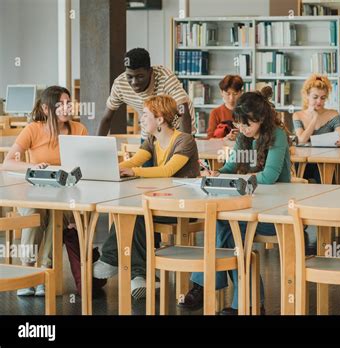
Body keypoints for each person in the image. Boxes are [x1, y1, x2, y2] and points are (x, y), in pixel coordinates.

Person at [180, 86, 292, 315]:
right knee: (226, 225)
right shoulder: (244, 135)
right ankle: (248, 304)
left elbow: (269, 177)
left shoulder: (277, 135)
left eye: (246, 124)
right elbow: (232, 165)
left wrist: (234, 179)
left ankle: (203, 286)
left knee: (226, 226)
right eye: (238, 123)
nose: (241, 129)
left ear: (261, 119)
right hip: (250, 202)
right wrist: (219, 174)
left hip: (276, 211)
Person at [93, 95, 200, 300]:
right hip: (161, 203)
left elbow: (168, 170)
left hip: (185, 206)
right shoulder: (152, 140)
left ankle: (113, 260)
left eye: (145, 115)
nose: (141, 119)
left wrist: (135, 172)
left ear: (160, 119)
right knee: (133, 211)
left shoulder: (185, 140)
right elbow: (134, 161)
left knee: (139, 212)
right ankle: (140, 276)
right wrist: (107, 168)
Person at [2, 86, 106, 296]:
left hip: (67, 194)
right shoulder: (33, 129)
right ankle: (27, 271)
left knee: (57, 215)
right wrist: (32, 167)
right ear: (47, 109)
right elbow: (8, 162)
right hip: (35, 193)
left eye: (69, 102)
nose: (68, 107)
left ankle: (43, 273)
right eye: (62, 104)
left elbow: (85, 166)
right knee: (34, 212)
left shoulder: (79, 129)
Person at [97, 48, 195, 166]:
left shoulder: (165, 77)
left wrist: (183, 147)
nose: (134, 82)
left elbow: (183, 112)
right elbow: (107, 118)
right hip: (150, 131)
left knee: (175, 172)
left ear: (150, 71)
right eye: (129, 76)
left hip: (177, 129)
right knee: (146, 170)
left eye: (140, 76)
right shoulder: (119, 84)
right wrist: (97, 148)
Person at [293, 74, 340, 182]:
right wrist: (314, 118)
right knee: (298, 181)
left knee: (324, 180)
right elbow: (301, 140)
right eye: (315, 97)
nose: (319, 101)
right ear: (307, 96)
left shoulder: (333, 114)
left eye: (323, 98)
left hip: (325, 161)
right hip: (304, 163)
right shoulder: (297, 115)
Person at [206, 75, 243, 140]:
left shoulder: (247, 112)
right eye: (228, 94)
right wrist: (225, 139)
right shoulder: (215, 113)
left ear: (241, 92)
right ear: (221, 92)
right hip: (221, 148)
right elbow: (210, 139)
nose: (231, 98)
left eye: (235, 94)